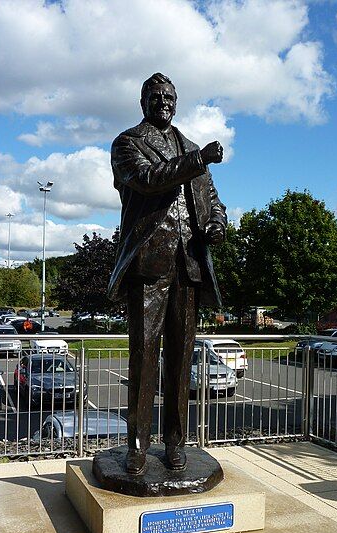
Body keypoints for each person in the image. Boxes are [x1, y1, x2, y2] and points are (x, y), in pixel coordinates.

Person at [108, 73, 227, 475]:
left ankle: (175, 442)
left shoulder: (189, 146)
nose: (163, 101)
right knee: (144, 359)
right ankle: (138, 447)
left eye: (169, 96)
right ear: (143, 101)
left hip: (188, 264)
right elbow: (146, 180)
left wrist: (217, 225)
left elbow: (212, 199)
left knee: (180, 362)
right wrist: (199, 161)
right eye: (156, 96)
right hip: (150, 264)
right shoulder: (127, 143)